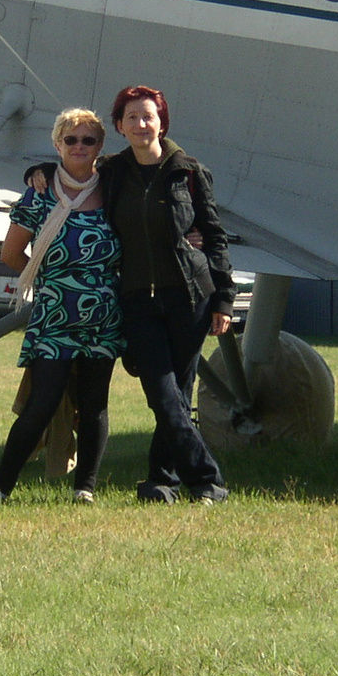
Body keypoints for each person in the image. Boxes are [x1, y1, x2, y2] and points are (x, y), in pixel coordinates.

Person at [101, 85, 234, 504]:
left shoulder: (189, 171)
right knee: (162, 392)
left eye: (148, 116)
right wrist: (37, 172)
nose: (142, 124)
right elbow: (70, 173)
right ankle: (207, 479)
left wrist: (224, 299)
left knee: (178, 390)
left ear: (162, 122)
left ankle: (161, 482)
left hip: (189, 296)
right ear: (120, 127)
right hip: (137, 297)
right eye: (132, 118)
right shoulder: (111, 172)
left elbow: (214, 237)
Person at [0, 108, 123, 502]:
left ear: (100, 146)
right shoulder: (41, 192)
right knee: (42, 401)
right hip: (54, 315)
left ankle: (85, 489)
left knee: (95, 404)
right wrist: (47, 277)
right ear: (57, 144)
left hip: (103, 316)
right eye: (71, 140)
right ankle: (1, 488)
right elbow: (11, 253)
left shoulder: (113, 189)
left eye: (89, 140)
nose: (79, 147)